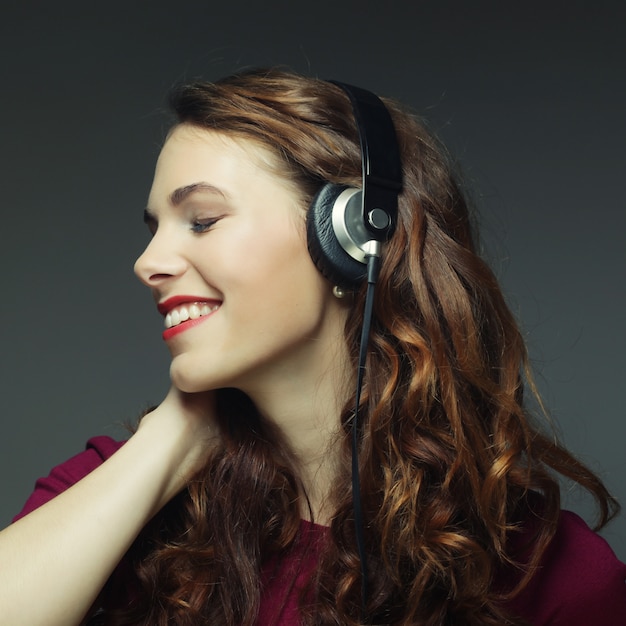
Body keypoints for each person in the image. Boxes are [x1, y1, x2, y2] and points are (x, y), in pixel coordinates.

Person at [1, 67, 625, 626]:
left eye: (202, 220)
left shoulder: (544, 570)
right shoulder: (108, 489)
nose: (147, 263)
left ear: (352, 237)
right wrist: (174, 433)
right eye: (154, 230)